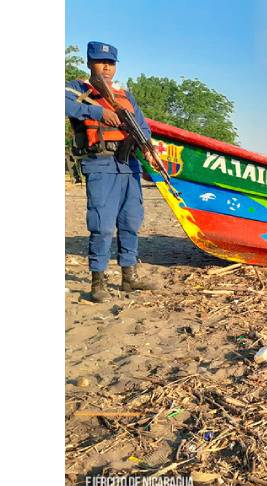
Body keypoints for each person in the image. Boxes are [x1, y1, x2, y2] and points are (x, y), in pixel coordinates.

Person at [65, 41, 161, 302]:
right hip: (100, 164)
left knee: (131, 221)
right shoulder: (77, 88)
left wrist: (149, 149)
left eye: (111, 63)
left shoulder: (124, 94)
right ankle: (98, 283)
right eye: (100, 61)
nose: (106, 67)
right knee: (102, 225)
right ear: (89, 62)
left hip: (129, 165)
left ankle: (129, 277)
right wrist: (97, 112)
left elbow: (142, 126)